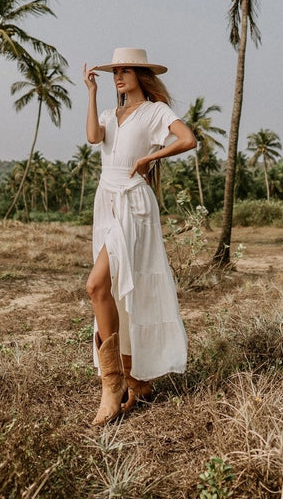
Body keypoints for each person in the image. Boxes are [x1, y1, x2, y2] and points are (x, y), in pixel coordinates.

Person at [83, 47, 197, 425]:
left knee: (96, 285)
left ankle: (111, 384)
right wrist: (91, 92)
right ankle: (136, 381)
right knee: (112, 290)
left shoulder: (155, 112)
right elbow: (92, 137)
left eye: (125, 70)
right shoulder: (109, 114)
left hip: (133, 203)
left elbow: (188, 139)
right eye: (115, 71)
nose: (118, 76)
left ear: (141, 75)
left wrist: (150, 159)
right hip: (106, 201)